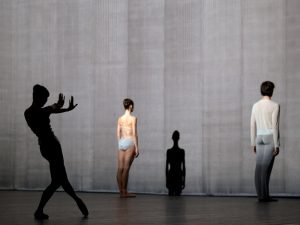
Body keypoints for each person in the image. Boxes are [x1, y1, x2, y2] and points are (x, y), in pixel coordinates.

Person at [24, 84, 88, 220]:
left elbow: (49, 110)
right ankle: (74, 200)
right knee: (59, 180)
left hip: (46, 147)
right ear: (36, 96)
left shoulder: (30, 112)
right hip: (51, 147)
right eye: (43, 98)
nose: (45, 101)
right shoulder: (34, 112)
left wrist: (62, 108)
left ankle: (42, 209)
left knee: (59, 180)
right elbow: (49, 110)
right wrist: (59, 106)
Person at [250, 81, 280, 202]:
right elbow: (275, 126)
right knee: (266, 168)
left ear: (261, 90)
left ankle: (261, 196)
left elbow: (252, 124)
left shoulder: (255, 105)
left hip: (259, 137)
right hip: (269, 137)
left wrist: (253, 142)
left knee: (259, 167)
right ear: (272, 91)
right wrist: (277, 145)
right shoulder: (275, 105)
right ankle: (264, 197)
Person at [116, 98, 139, 198]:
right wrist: (137, 147)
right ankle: (125, 192)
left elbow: (118, 132)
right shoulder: (133, 118)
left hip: (121, 141)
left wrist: (119, 143)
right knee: (126, 168)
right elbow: (134, 133)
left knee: (120, 168)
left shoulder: (120, 118)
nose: (133, 107)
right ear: (130, 106)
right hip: (130, 141)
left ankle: (121, 191)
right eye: (133, 106)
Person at [166, 130, 186, 196]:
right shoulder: (181, 151)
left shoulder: (169, 151)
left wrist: (167, 180)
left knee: (171, 198)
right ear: (179, 138)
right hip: (178, 176)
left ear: (172, 138)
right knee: (178, 197)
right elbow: (183, 167)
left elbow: (167, 167)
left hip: (171, 175)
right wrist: (184, 180)